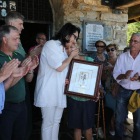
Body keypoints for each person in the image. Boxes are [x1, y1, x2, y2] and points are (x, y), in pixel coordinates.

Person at [34, 23, 80, 140]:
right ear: (67, 34)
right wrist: (71, 57)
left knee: (56, 122)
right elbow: (59, 67)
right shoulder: (51, 45)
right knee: (48, 123)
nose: (75, 41)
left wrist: (66, 79)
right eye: (74, 37)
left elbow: (64, 70)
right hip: (48, 90)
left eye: (76, 38)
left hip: (59, 91)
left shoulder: (63, 49)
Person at [0, 25, 39, 140]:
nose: (18, 42)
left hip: (22, 105)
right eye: (15, 39)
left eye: (19, 39)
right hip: (6, 107)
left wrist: (30, 70)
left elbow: (28, 80)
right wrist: (19, 71)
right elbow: (2, 88)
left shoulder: (19, 56)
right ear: (5, 40)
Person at [65, 44, 102, 140]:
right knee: (77, 127)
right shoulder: (66, 63)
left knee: (88, 127)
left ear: (77, 49)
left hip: (88, 99)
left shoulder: (89, 60)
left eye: (72, 47)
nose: (69, 50)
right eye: (67, 48)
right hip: (73, 98)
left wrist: (96, 91)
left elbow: (95, 80)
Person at [113, 33, 140, 140]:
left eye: (135, 41)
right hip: (123, 91)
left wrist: (138, 78)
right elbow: (115, 74)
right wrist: (125, 75)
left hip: (138, 92)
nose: (132, 43)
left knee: (138, 123)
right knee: (119, 120)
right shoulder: (123, 57)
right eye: (131, 41)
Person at [102, 44, 118, 136]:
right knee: (111, 111)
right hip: (109, 90)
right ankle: (112, 128)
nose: (110, 51)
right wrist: (108, 71)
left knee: (120, 112)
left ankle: (120, 128)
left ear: (116, 50)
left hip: (121, 90)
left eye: (112, 49)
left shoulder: (121, 61)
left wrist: (113, 68)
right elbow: (103, 79)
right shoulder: (105, 63)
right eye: (108, 50)